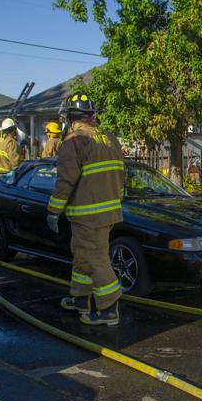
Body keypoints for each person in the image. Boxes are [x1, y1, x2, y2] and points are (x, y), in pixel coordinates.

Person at [46, 93, 126, 326]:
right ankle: (80, 298)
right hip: (108, 211)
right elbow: (120, 174)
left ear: (71, 117)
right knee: (82, 256)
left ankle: (109, 308)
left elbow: (65, 182)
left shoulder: (74, 141)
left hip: (87, 213)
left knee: (95, 259)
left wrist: (53, 211)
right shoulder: (110, 138)